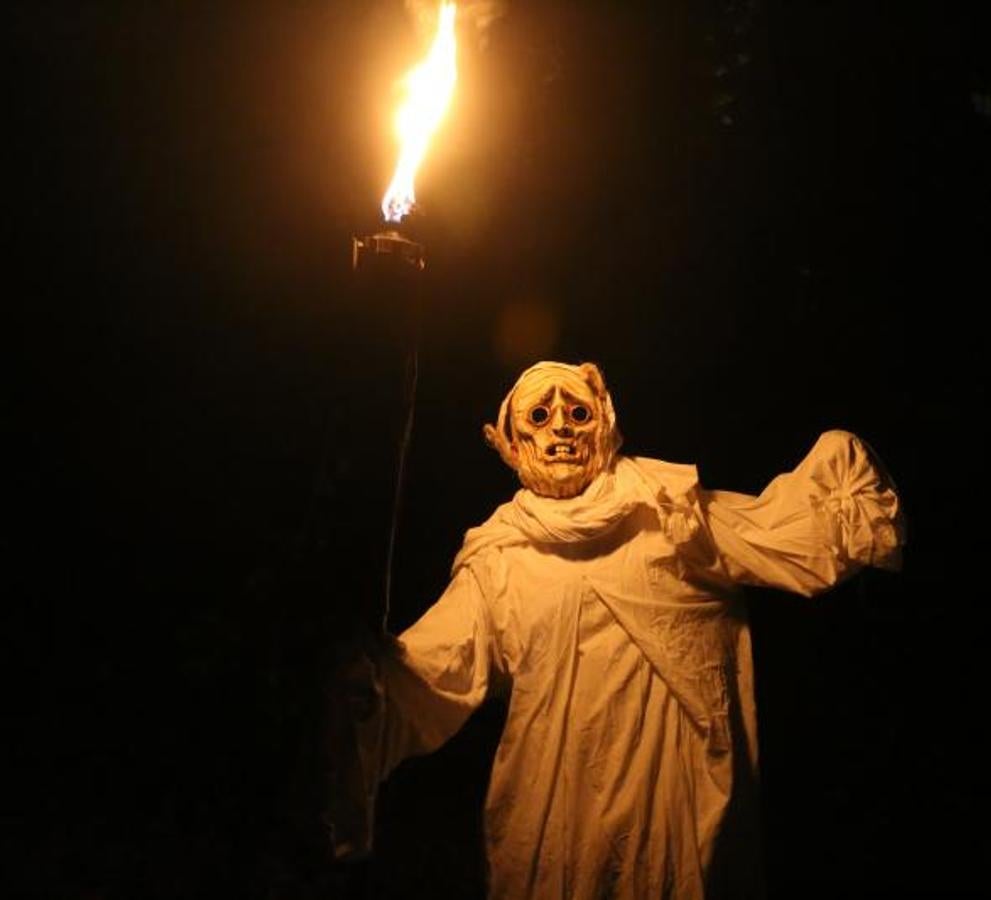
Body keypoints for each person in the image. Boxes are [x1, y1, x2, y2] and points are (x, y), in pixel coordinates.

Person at [326, 361, 905, 898]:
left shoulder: (671, 514)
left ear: (604, 424)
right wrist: (370, 683)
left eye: (578, 412)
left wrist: (839, 495)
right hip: (554, 816)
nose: (561, 428)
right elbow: (431, 673)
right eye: (540, 415)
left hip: (670, 809)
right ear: (512, 444)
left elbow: (777, 536)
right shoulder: (501, 559)